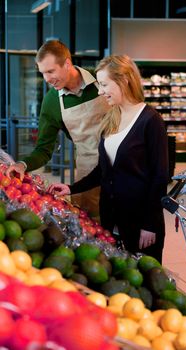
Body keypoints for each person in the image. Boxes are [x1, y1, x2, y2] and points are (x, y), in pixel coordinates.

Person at [47, 54, 169, 263]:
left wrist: (149, 224)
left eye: (104, 84)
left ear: (124, 80)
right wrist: (71, 188)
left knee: (146, 283)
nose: (100, 91)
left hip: (140, 221)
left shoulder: (151, 120)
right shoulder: (112, 117)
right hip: (111, 219)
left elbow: (160, 177)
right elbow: (103, 171)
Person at [6, 40, 110, 218]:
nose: (46, 79)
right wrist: (23, 164)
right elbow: (43, 150)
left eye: (50, 71)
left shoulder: (101, 79)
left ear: (67, 63)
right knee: (94, 225)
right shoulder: (51, 102)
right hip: (88, 174)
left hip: (125, 165)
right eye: (43, 73)